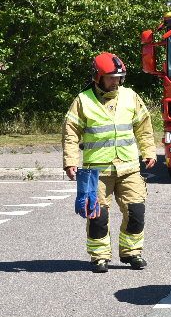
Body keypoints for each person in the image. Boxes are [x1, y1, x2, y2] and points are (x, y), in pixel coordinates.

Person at [63, 52, 157, 273]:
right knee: (98, 216)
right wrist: (70, 160)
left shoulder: (130, 97)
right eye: (111, 77)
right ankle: (99, 256)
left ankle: (132, 253)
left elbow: (143, 126)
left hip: (129, 167)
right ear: (97, 77)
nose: (116, 81)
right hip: (96, 170)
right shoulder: (82, 100)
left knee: (136, 211)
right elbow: (71, 133)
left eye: (119, 77)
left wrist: (149, 151)